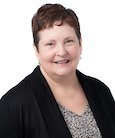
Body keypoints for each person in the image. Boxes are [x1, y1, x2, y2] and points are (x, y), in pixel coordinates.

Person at [0, 3, 115, 138]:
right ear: (37, 50)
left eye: (69, 41)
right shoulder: (13, 105)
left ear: (80, 44)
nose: (61, 52)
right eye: (50, 44)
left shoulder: (100, 91)